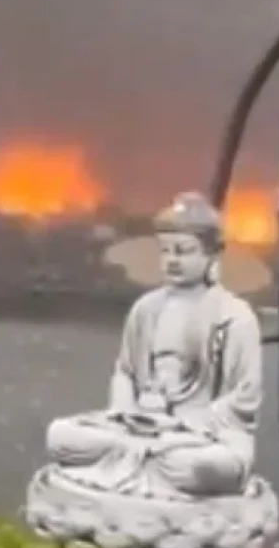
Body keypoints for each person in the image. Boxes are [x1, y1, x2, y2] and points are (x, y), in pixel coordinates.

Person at [43, 191, 262, 498]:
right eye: (166, 251)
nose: (172, 260)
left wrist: (182, 426)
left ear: (212, 254)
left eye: (184, 251)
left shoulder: (234, 317)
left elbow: (243, 399)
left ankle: (139, 470)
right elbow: (126, 372)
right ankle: (140, 466)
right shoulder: (146, 309)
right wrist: (125, 410)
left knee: (201, 467)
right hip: (140, 425)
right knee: (61, 435)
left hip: (200, 437)